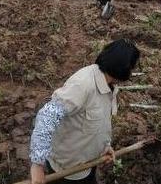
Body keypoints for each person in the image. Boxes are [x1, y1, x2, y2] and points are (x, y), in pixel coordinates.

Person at [29, 39, 140, 184]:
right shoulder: (83, 85)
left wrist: (104, 147)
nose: (132, 72)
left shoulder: (108, 85)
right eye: (132, 68)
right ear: (123, 68)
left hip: (88, 162)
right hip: (68, 170)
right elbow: (47, 117)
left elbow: (98, 122)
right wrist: (37, 165)